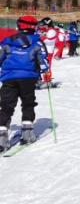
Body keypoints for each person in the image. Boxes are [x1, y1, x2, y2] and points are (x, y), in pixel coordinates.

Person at [0, 16, 49, 151]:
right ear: (34, 27)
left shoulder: (8, 42)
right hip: (28, 78)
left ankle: (2, 137)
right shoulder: (37, 42)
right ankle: (27, 133)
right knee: (28, 103)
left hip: (8, 78)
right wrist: (46, 72)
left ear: (19, 26)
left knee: (6, 105)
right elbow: (43, 61)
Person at [37, 17, 57, 88]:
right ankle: (43, 80)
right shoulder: (48, 30)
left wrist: (41, 37)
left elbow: (49, 41)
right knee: (41, 66)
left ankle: (48, 81)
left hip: (48, 51)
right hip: (44, 51)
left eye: (44, 25)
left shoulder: (52, 31)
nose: (43, 26)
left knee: (47, 66)